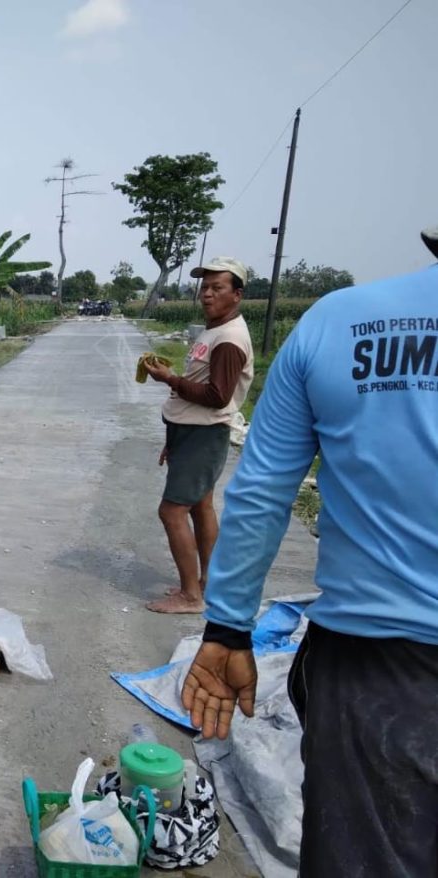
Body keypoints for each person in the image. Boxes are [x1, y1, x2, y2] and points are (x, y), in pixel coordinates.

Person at [180, 227, 438, 876]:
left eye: (217, 285)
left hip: (381, 667)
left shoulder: (342, 321)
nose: (209, 294)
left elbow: (264, 492)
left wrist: (228, 626)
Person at [142, 257, 254, 614]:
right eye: (204, 287)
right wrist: (173, 438)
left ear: (236, 295)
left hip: (205, 435)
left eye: (217, 288)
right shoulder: (214, 330)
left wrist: (169, 379)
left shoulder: (230, 338)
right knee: (201, 507)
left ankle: (191, 596)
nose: (207, 294)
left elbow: (218, 396)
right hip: (191, 434)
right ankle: (207, 583)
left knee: (172, 511)